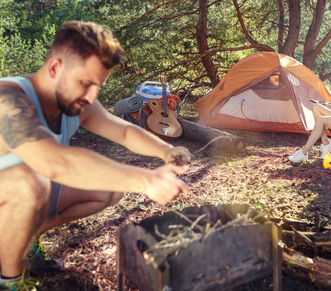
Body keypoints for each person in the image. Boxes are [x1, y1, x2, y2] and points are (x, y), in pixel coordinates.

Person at [0, 21, 191, 290]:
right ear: (55, 68)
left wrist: (166, 151)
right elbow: (55, 162)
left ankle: (24, 238)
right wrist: (145, 180)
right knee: (28, 182)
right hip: (17, 189)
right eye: (85, 83)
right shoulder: (8, 99)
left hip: (18, 197)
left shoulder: (77, 102)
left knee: (108, 189)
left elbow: (124, 132)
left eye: (98, 86)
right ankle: (8, 281)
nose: (91, 96)